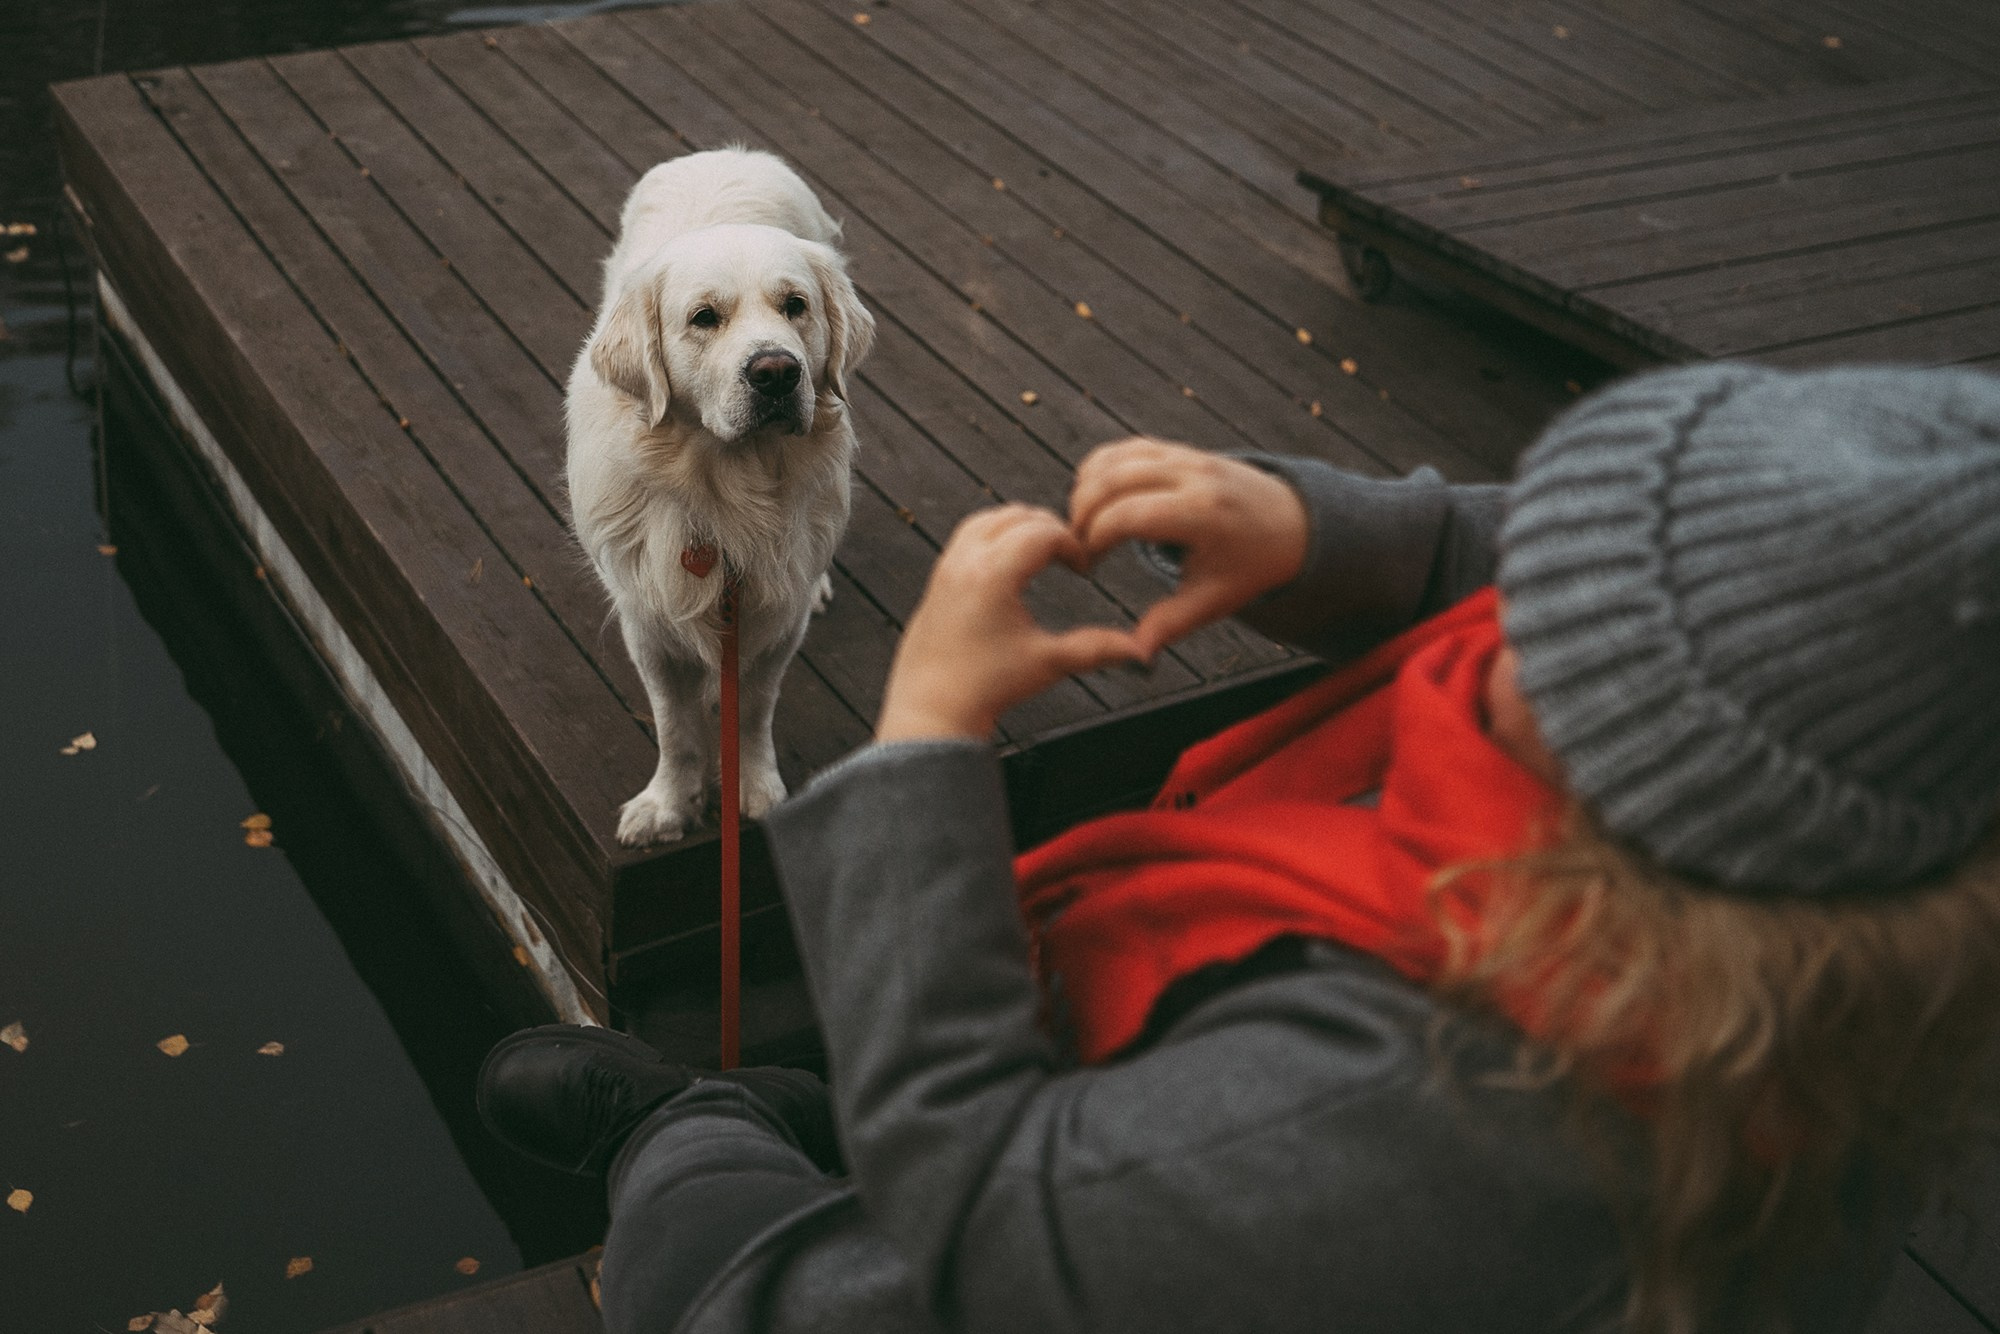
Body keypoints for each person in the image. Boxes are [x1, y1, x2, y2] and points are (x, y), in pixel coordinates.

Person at [478, 362, 2000, 1334]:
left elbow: (992, 1221)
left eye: (1572, 598)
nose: (1527, 572)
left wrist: (925, 740)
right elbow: (1519, 540)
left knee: (752, 1273)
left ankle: (690, 1125)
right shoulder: (1854, 833)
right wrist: (1324, 532)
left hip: (1033, 1225)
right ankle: (810, 1106)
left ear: (1654, 763)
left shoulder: (1434, 1099)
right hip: (1216, 1209)